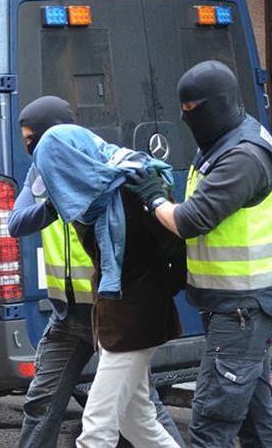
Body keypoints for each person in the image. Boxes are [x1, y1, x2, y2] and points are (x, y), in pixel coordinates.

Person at [126, 60, 272, 448]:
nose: (187, 118)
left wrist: (153, 199)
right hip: (239, 302)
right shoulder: (224, 140)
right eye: (183, 109)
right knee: (255, 418)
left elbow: (191, 220)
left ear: (219, 104)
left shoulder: (242, 156)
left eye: (193, 109)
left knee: (211, 423)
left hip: (244, 306)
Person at [10, 97, 185, 448]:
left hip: (131, 320)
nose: (31, 151)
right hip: (92, 315)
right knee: (137, 421)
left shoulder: (125, 185)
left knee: (97, 427)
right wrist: (55, 200)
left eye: (34, 141)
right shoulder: (77, 186)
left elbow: (171, 245)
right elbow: (17, 222)